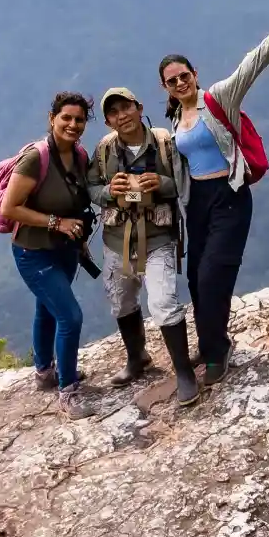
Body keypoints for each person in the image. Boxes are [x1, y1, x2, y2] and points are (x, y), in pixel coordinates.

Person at [158, 2, 269, 385]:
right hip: (197, 202)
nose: (180, 83)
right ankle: (209, 341)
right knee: (195, 278)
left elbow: (249, 68)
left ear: (195, 74)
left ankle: (218, 352)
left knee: (212, 276)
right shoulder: (176, 118)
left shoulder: (218, 98)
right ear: (165, 87)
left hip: (229, 196)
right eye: (172, 81)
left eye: (184, 76)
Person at [85, 88, 200, 404]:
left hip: (157, 238)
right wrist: (110, 191)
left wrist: (161, 183)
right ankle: (137, 358)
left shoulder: (164, 143)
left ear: (139, 108)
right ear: (108, 121)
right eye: (113, 112)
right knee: (121, 301)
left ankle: (184, 372)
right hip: (117, 240)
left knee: (162, 302)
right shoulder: (104, 150)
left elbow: (186, 183)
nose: (121, 116)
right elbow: (91, 186)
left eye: (126, 107)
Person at [0, 92, 96, 418]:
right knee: (70, 316)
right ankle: (68, 392)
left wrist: (78, 235)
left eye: (79, 119)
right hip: (33, 252)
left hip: (65, 250)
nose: (73, 124)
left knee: (48, 309)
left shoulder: (79, 156)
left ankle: (44, 372)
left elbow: (77, 201)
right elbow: (9, 207)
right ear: (52, 118)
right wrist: (56, 222)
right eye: (66, 117)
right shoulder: (35, 159)